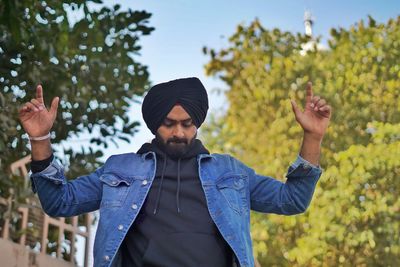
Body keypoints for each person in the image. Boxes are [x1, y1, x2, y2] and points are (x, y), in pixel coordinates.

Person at [19, 77, 331, 267]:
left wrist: (313, 137)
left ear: (197, 123)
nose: (179, 132)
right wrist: (40, 139)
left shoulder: (231, 172)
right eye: (169, 123)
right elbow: (60, 202)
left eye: (187, 124)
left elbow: (292, 200)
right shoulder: (121, 168)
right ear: (155, 124)